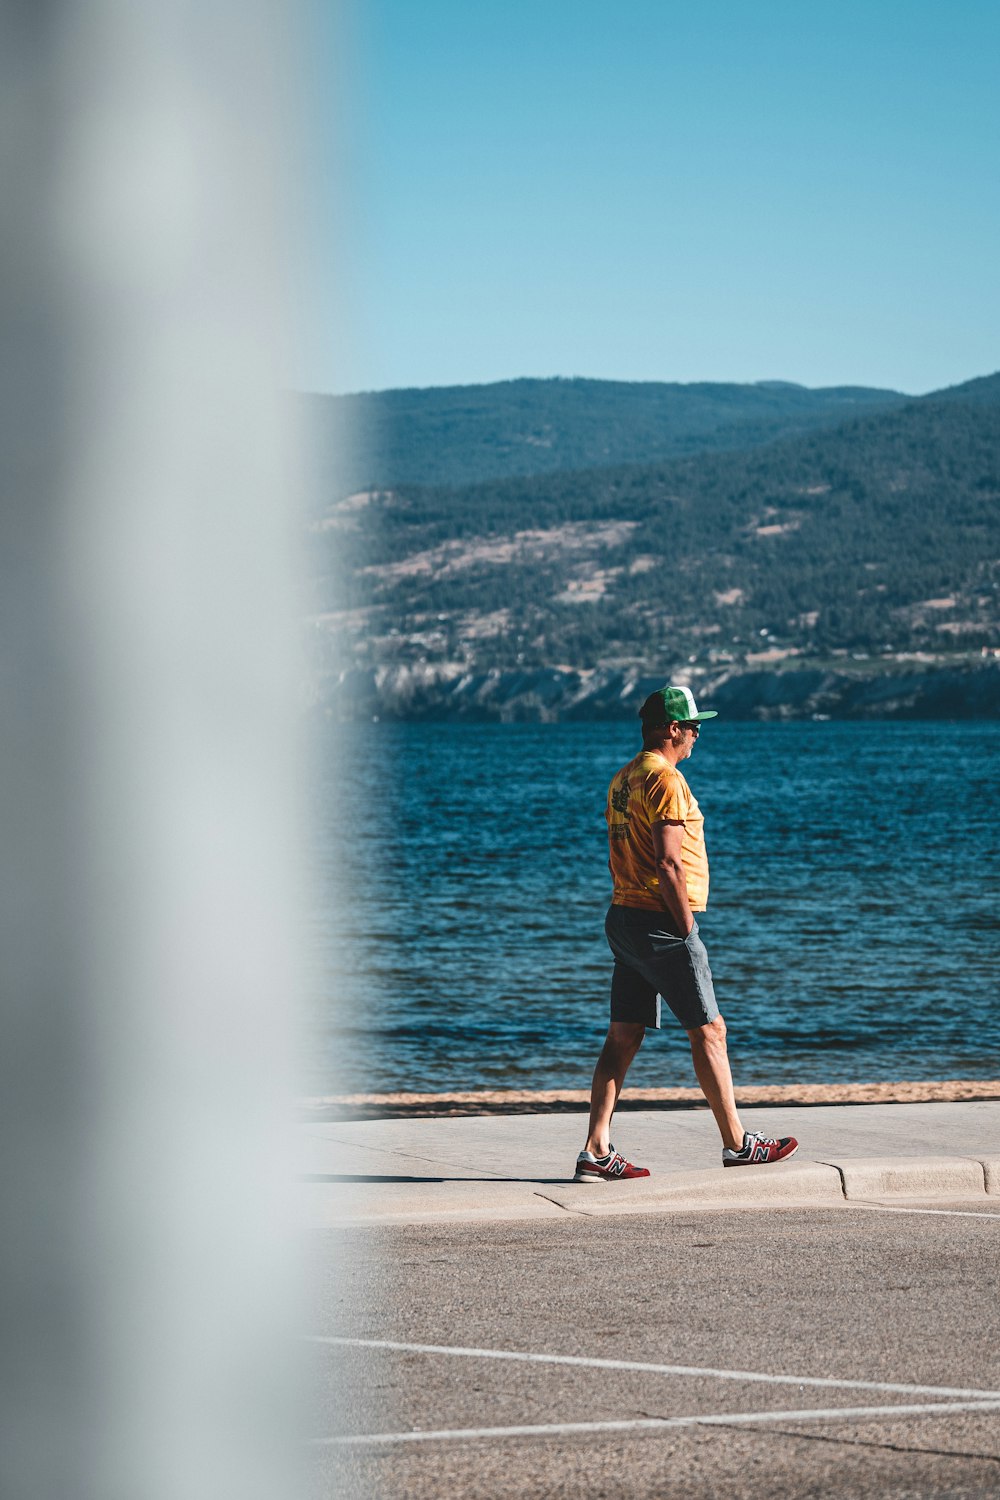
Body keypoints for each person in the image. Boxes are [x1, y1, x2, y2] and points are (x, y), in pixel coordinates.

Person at [575, 684, 798, 1182]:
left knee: (624, 1033)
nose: (698, 734)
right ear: (672, 728)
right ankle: (738, 1144)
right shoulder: (666, 780)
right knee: (709, 1030)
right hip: (660, 922)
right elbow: (669, 862)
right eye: (693, 726)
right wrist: (688, 928)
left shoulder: (624, 777)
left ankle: (595, 1149)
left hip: (624, 916)